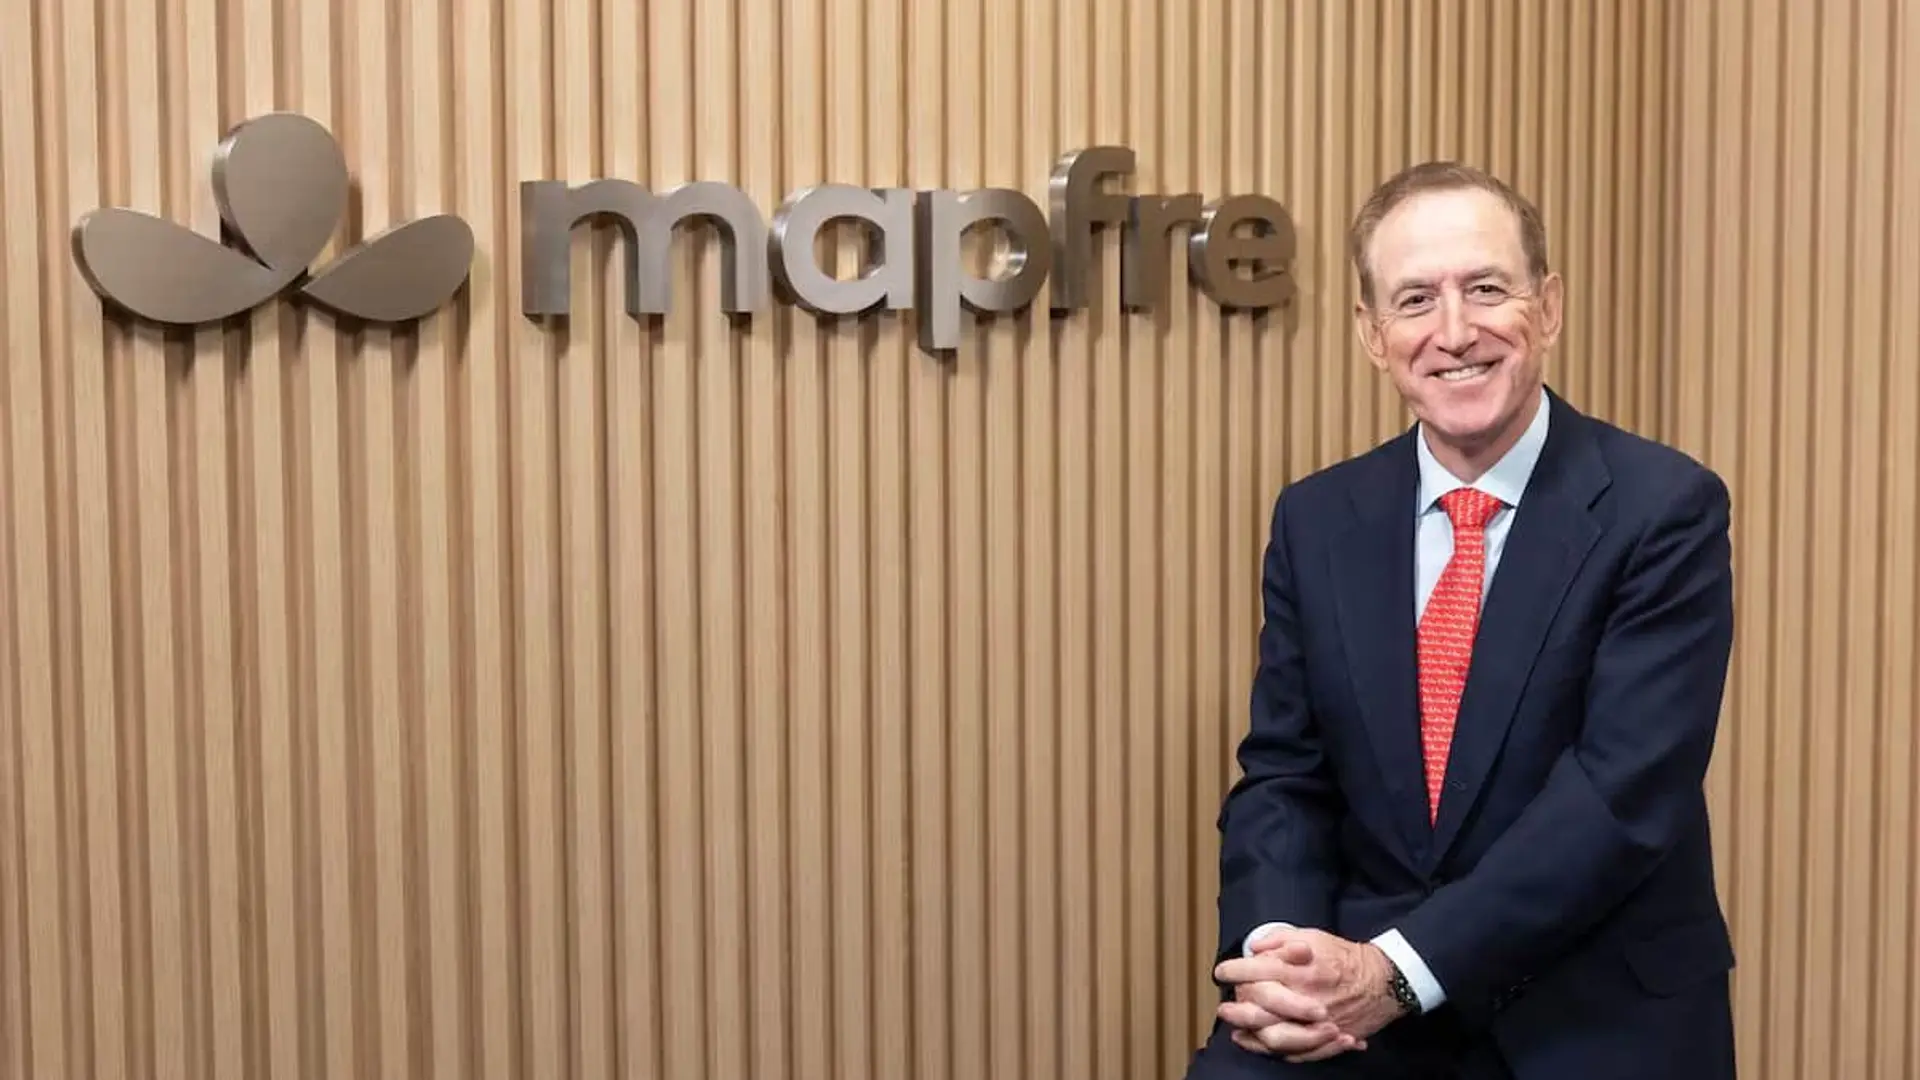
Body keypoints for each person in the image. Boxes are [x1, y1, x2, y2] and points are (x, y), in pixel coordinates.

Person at [1186, 162, 1738, 1079]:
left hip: (1588, 1009)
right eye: (1415, 300)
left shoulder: (1663, 508)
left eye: (1486, 289)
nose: (1453, 332)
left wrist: (1397, 973)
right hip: (1355, 1002)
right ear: (1372, 333)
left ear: (1547, 308)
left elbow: (1619, 798)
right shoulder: (1316, 518)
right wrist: (1279, 956)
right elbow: (1285, 774)